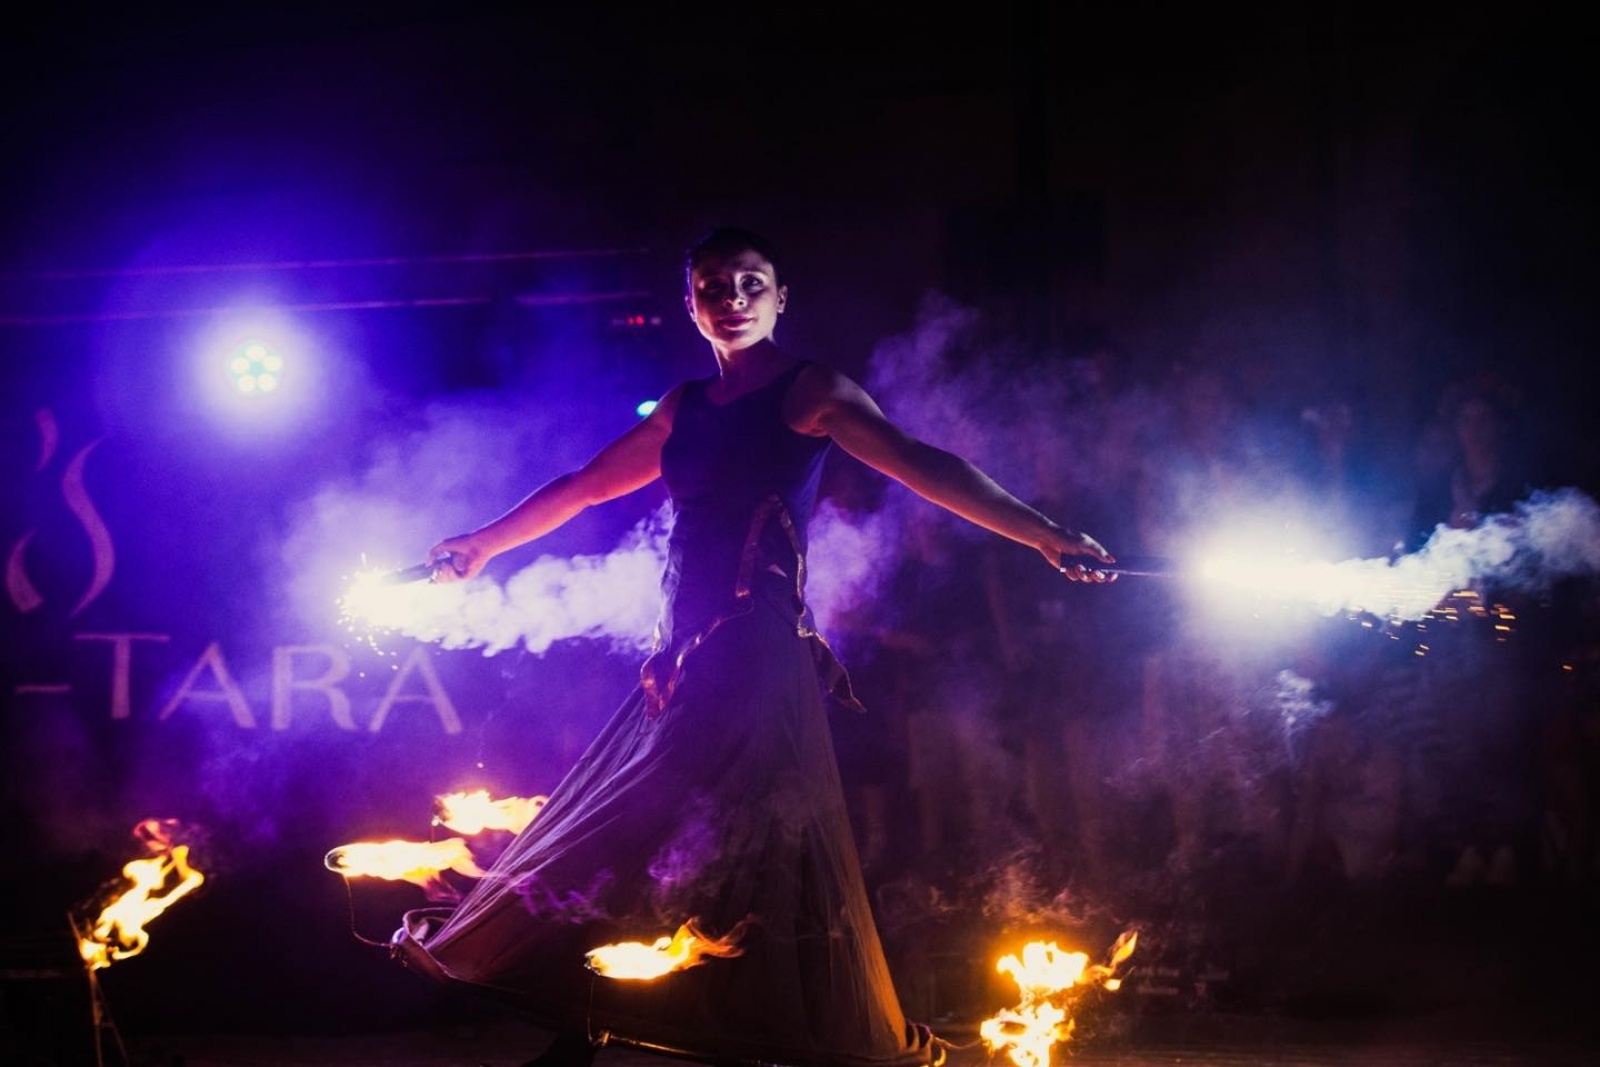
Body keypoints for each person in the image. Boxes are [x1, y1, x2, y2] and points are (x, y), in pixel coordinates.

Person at [389, 227, 1115, 1067]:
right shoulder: (684, 408)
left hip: (759, 654)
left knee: (741, 839)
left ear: (779, 298)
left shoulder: (811, 392)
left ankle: (761, 1032)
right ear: (689, 304)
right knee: (653, 831)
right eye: (712, 286)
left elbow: (924, 465)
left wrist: (1045, 534)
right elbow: (586, 486)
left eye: (749, 283)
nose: (730, 298)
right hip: (683, 658)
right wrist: (482, 543)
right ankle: (587, 1027)